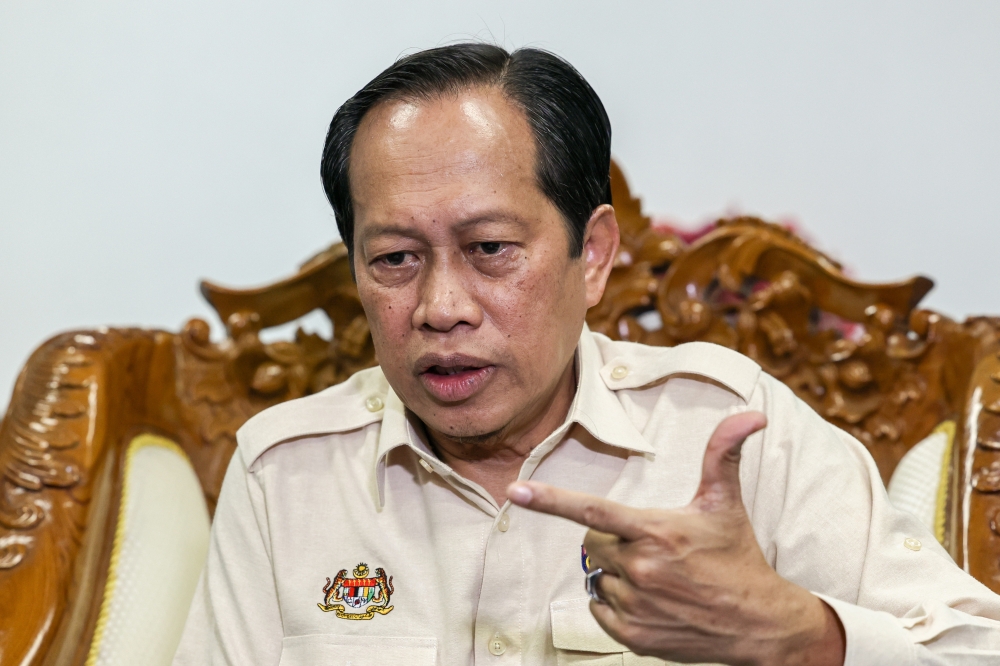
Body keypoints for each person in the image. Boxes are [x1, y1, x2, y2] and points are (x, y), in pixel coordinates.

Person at [173, 43, 1000, 665]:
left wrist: (799, 633)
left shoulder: (729, 428)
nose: (441, 308)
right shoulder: (284, 473)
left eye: (491, 247)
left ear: (594, 254)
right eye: (394, 259)